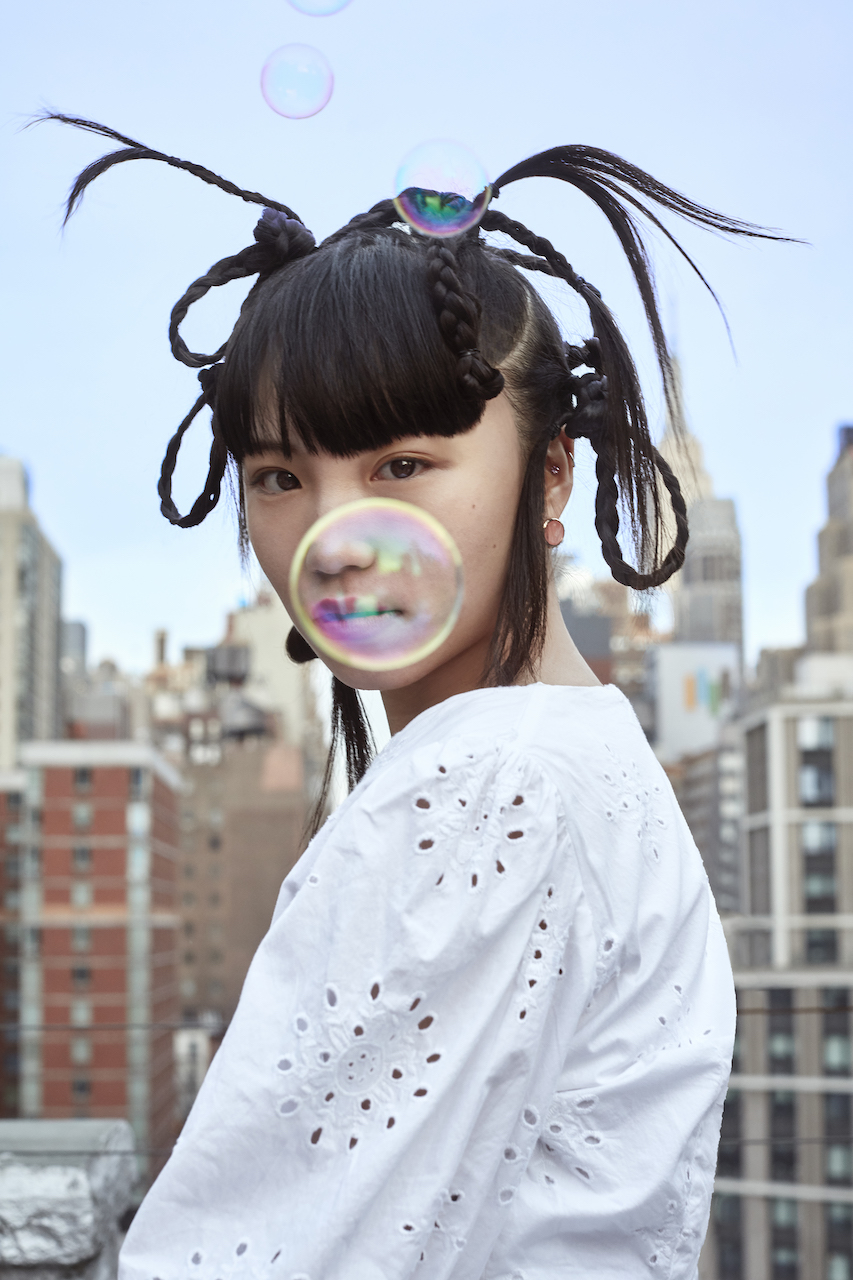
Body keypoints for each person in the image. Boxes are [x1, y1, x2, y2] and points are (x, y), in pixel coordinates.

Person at [46, 115, 784, 1278]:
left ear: (551, 471)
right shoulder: (572, 754)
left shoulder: (489, 790)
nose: (333, 535)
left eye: (400, 464)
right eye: (279, 475)